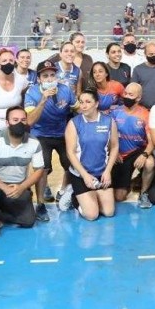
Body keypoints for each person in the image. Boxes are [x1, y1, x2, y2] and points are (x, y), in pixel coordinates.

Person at [0, 106, 43, 238]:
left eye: (23, 120)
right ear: (7, 123)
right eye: (15, 119)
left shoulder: (34, 142)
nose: (19, 123)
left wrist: (22, 187)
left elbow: (39, 171)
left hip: (16, 185)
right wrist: (4, 187)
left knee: (28, 221)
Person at [25, 60, 77, 220]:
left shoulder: (66, 90)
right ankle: (40, 204)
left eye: (52, 75)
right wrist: (43, 100)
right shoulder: (31, 93)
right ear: (39, 79)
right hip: (41, 134)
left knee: (71, 164)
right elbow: (30, 121)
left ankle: (63, 192)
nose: (49, 79)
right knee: (43, 168)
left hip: (62, 133)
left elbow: (76, 110)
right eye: (45, 76)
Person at [65, 89, 119, 221]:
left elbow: (115, 146)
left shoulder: (109, 122)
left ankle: (92, 196)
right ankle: (74, 198)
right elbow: (70, 153)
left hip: (101, 173)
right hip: (81, 174)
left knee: (108, 212)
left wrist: (108, 172)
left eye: (88, 102)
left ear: (96, 104)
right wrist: (85, 176)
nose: (83, 105)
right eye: (81, 102)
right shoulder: (74, 123)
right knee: (92, 215)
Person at [110, 83, 155, 206]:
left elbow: (152, 142)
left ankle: (143, 193)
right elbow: (108, 135)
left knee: (149, 163)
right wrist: (113, 152)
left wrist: (145, 154)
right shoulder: (115, 112)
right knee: (118, 197)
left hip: (136, 152)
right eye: (125, 93)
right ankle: (130, 183)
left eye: (131, 94)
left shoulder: (145, 114)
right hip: (118, 153)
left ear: (138, 98)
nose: (126, 96)